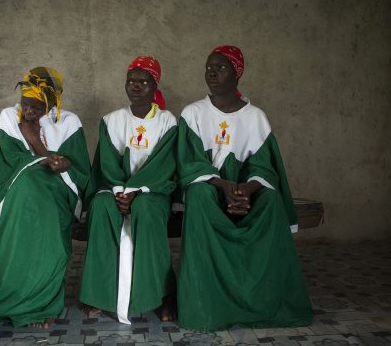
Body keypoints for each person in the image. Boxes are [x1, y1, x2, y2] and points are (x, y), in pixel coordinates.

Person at [176, 46, 313, 332]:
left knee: (272, 202)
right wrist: (225, 187)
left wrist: (245, 191)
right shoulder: (193, 113)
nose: (212, 72)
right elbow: (191, 164)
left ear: (237, 74)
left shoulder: (256, 117)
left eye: (221, 67)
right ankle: (205, 305)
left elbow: (264, 167)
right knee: (199, 195)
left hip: (244, 193)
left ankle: (265, 302)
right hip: (211, 191)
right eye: (208, 66)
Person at [0, 67, 91, 330]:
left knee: (45, 209)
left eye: (37, 107)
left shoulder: (69, 122)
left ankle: (43, 300)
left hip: (59, 193)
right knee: (29, 192)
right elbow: (10, 163)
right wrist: (46, 158)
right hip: (19, 190)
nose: (29, 111)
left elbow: (80, 171)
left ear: (52, 103)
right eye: (26, 104)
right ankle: (13, 294)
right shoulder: (8, 116)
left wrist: (38, 144)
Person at [79, 57, 177, 324]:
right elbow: (107, 163)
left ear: (154, 85)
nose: (136, 87)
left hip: (152, 192)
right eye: (131, 81)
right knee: (101, 207)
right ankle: (98, 293)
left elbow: (164, 165)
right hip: (116, 189)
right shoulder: (111, 120)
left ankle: (161, 294)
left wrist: (138, 190)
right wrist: (121, 191)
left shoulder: (168, 122)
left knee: (146, 208)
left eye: (143, 82)